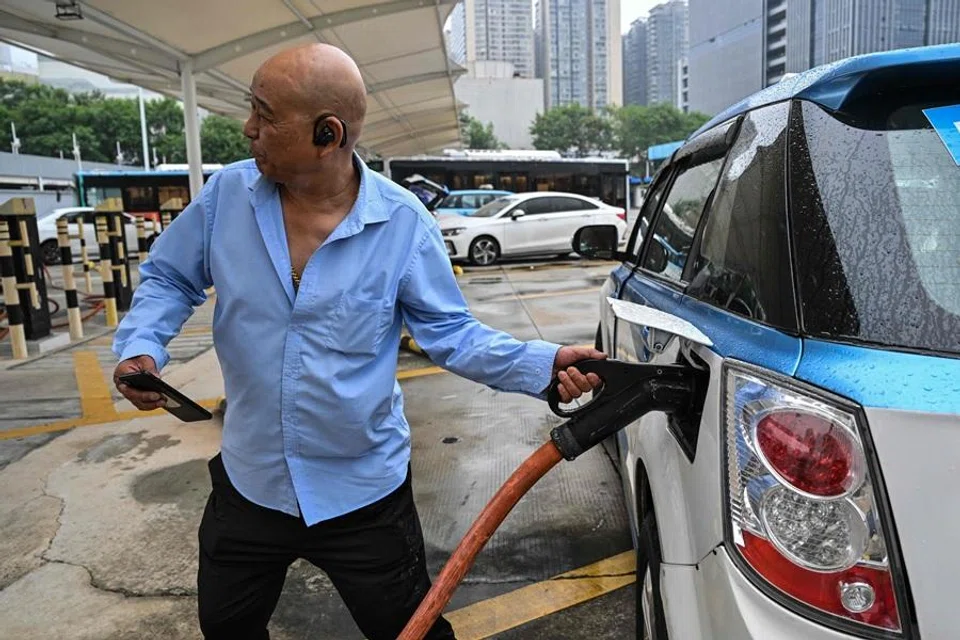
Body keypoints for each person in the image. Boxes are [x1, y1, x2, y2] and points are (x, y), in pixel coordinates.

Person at [112, 43, 604, 640]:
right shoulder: (226, 199)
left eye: (265, 115)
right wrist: (143, 346)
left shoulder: (402, 224)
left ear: (328, 133)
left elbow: (449, 333)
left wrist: (544, 363)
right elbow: (170, 276)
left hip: (363, 496)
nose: (249, 130)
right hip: (249, 485)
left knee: (411, 632)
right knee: (226, 628)